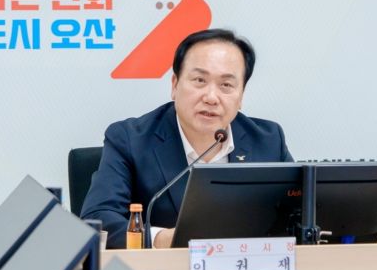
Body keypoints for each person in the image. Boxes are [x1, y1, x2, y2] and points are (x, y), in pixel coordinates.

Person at [80, 28, 292, 248]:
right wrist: (160, 239)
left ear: (241, 96)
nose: (211, 97)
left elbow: (302, 216)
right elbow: (97, 218)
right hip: (163, 269)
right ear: (174, 85)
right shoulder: (130, 140)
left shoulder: (268, 141)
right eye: (200, 80)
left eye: (226, 85)